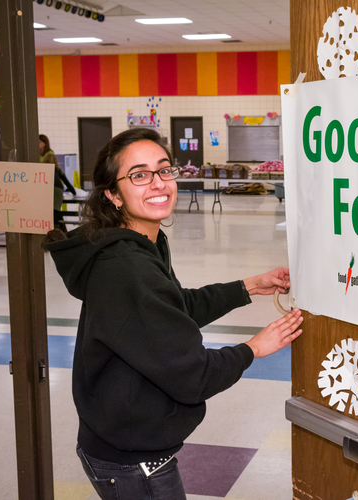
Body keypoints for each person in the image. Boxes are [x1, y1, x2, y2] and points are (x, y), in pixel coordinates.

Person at [44, 128, 303, 500]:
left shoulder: (141, 242)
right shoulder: (126, 267)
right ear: (113, 195)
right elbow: (193, 376)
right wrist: (254, 348)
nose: (158, 183)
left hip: (120, 437)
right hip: (132, 459)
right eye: (139, 175)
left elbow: (171, 310)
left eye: (164, 170)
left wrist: (248, 286)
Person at [39, 134, 77, 231]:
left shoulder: (46, 168)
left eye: (39, 142)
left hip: (50, 188)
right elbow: (67, 182)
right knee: (55, 211)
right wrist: (73, 192)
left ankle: (59, 231)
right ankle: (61, 230)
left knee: (52, 212)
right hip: (58, 189)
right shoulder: (58, 170)